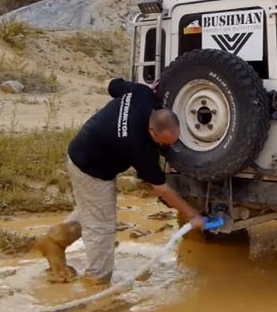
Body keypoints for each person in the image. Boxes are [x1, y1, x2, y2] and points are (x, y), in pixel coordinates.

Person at [43, 78, 204, 289]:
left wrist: (145, 88)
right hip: (89, 166)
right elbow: (162, 189)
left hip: (86, 148)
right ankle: (95, 280)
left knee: (93, 211)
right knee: (102, 226)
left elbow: (113, 85)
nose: (163, 148)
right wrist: (192, 214)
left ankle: (54, 241)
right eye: (161, 144)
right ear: (152, 130)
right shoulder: (138, 144)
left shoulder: (143, 94)